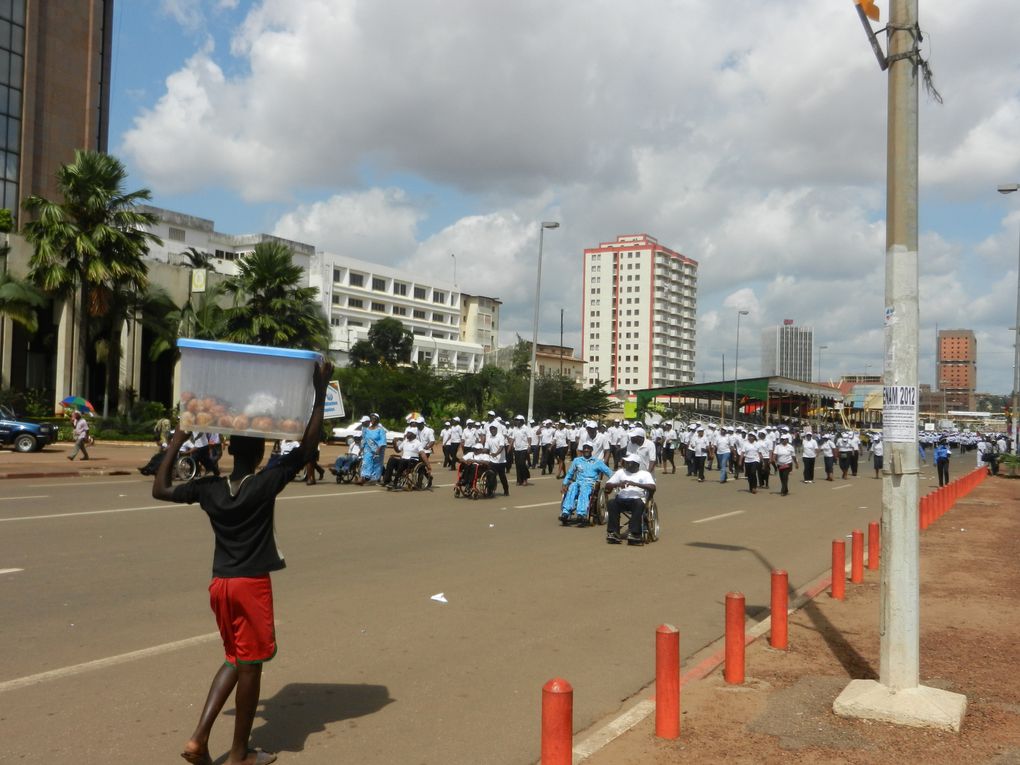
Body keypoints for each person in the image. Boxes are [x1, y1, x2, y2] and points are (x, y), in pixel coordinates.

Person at [154, 359, 331, 765]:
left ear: (232, 449)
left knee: (235, 658)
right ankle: (238, 755)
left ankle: (198, 740)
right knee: (251, 667)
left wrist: (178, 439)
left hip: (221, 585)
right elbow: (307, 448)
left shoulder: (211, 489)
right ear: (264, 449)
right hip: (250, 585)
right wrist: (319, 393)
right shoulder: (264, 484)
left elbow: (160, 489)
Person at [604, 455, 656, 545]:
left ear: (636, 464)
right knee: (611, 503)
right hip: (621, 499)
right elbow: (607, 485)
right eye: (626, 462)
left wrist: (635, 484)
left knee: (639, 504)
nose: (626, 464)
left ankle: (634, 533)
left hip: (636, 499)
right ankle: (613, 532)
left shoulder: (644, 474)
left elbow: (652, 487)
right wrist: (618, 484)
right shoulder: (620, 472)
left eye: (629, 462)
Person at [559, 442, 613, 524]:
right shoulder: (577, 461)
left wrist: (611, 483)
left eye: (588, 448)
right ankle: (565, 512)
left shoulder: (597, 462)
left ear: (591, 449)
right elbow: (570, 473)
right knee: (573, 486)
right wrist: (564, 483)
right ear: (582, 450)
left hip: (590, 483)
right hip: (578, 482)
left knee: (584, 487)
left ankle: (582, 513)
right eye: (585, 448)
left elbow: (610, 473)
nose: (586, 450)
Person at [357, 413, 388, 486]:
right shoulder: (367, 430)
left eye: (374, 418)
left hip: (378, 450)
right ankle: (364, 477)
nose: (372, 420)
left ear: (377, 420)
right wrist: (361, 449)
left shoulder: (381, 430)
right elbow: (364, 439)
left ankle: (374, 478)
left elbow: (382, 441)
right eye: (371, 418)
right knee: (366, 462)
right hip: (368, 449)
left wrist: (378, 450)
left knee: (376, 464)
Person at [485, 423, 510, 496]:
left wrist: (496, 453)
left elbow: (501, 447)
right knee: (490, 476)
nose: (492, 430)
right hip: (492, 461)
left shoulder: (500, 436)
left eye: (494, 429)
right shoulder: (489, 438)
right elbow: (486, 448)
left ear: (496, 429)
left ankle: (506, 490)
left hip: (501, 461)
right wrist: (479, 451)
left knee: (502, 477)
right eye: (491, 429)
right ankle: (489, 491)